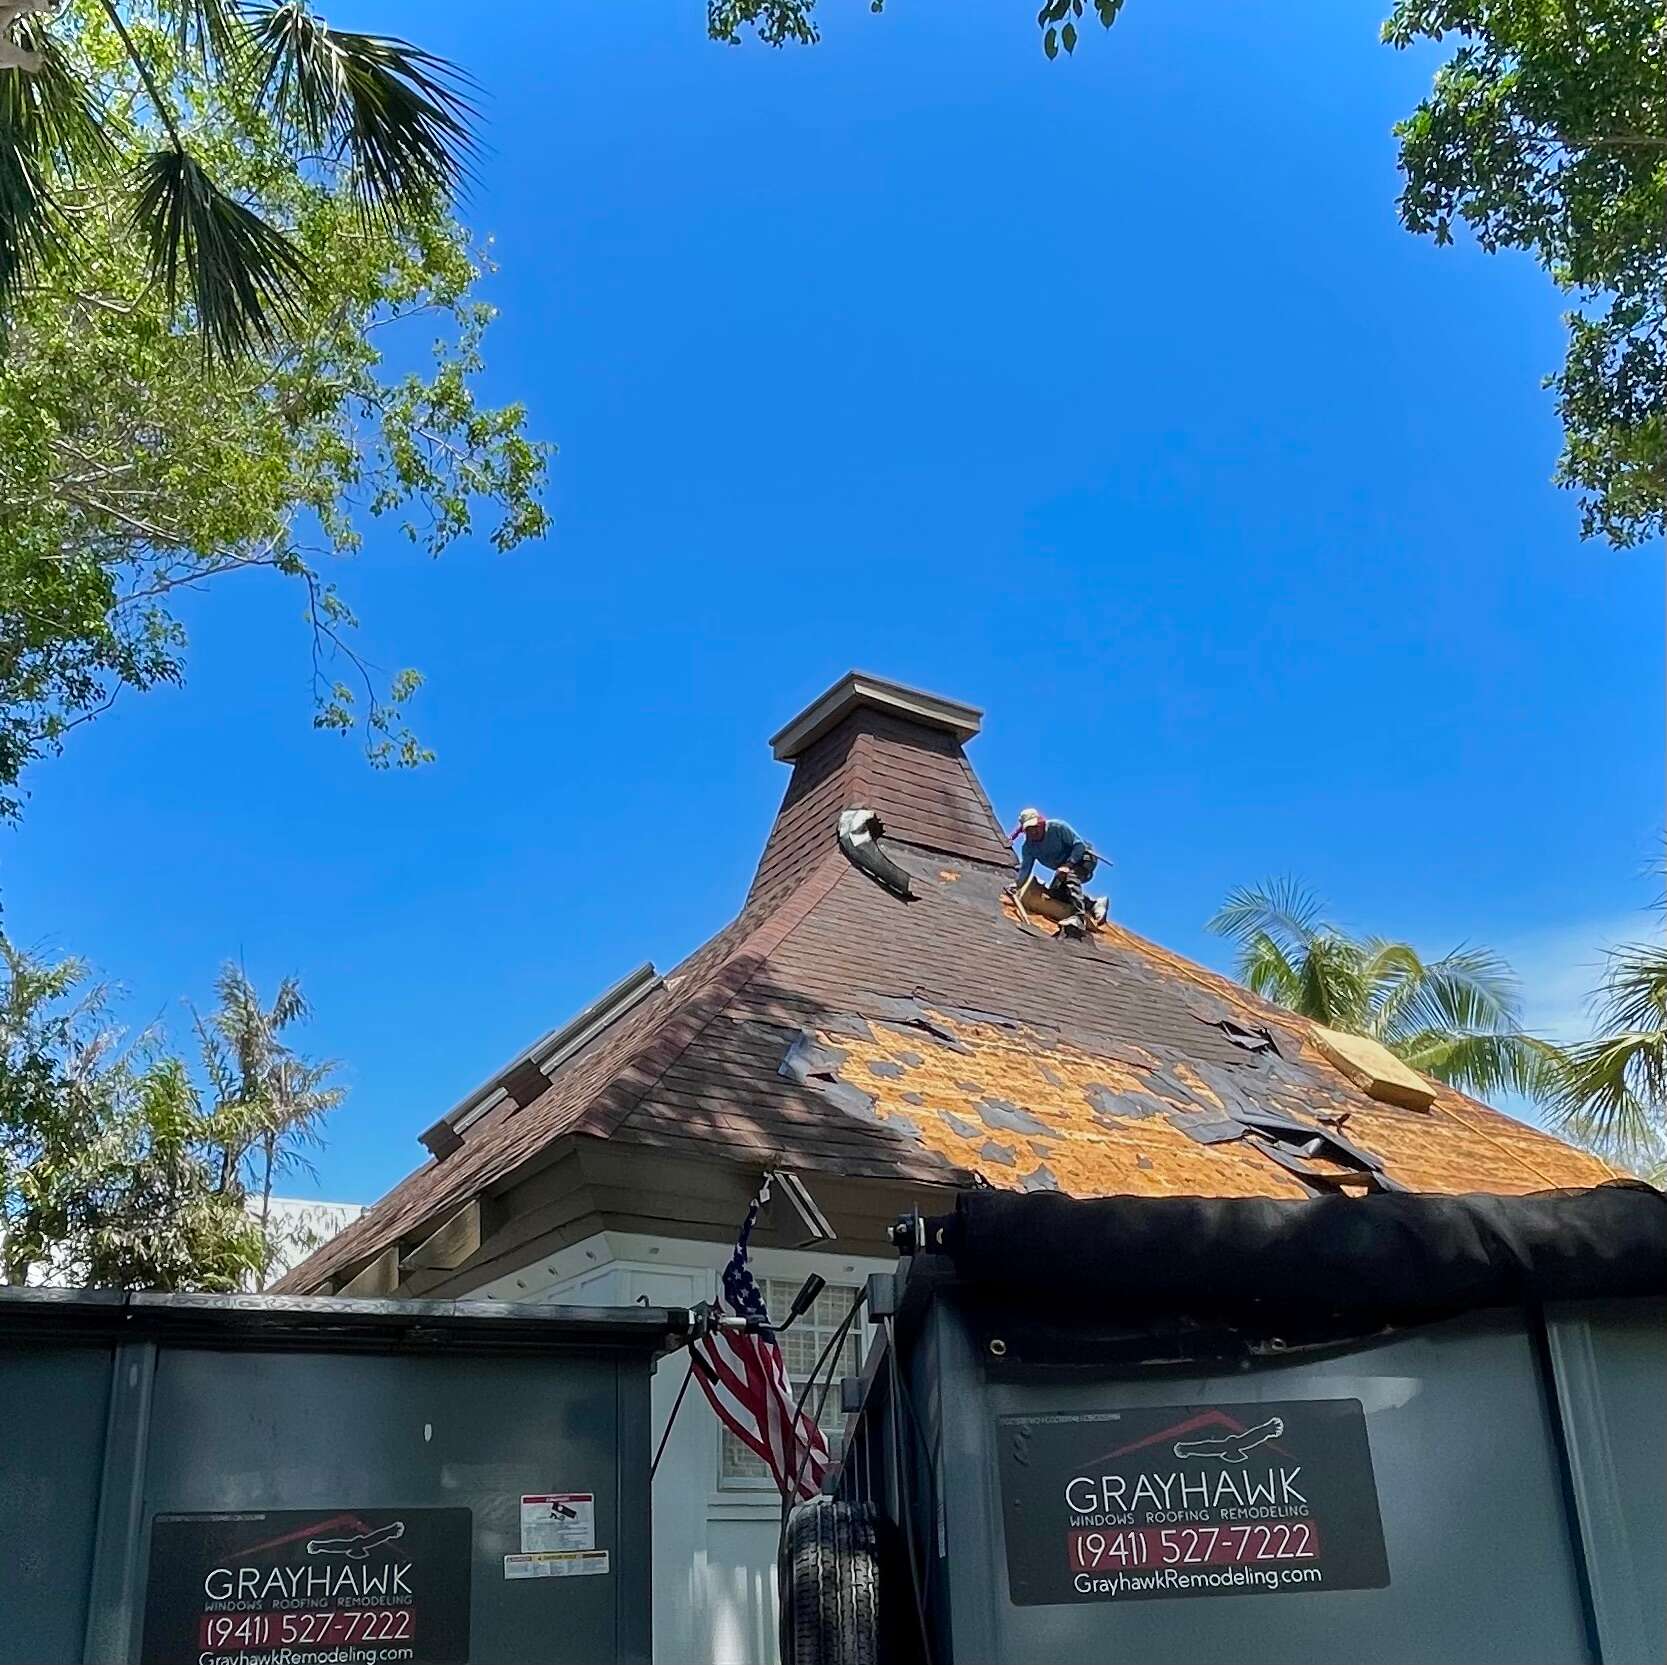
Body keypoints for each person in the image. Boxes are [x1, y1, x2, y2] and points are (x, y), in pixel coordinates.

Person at [1007, 807, 1105, 935]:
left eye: (1035, 827)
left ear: (1041, 823)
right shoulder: (1029, 848)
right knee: (1055, 893)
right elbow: (1025, 869)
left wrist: (1068, 865)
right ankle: (1093, 904)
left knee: (1070, 876)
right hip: (1063, 869)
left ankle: (1079, 917)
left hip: (1082, 858)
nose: (1034, 832)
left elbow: (1079, 845)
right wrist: (1017, 885)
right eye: (1029, 830)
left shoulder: (1057, 827)